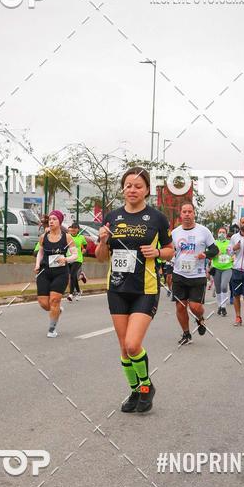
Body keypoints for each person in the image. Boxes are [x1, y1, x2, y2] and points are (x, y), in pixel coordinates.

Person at [95, 166, 173, 413]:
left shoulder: (158, 218)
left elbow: (171, 250)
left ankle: (146, 387)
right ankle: (135, 390)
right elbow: (100, 257)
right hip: (117, 287)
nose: (132, 190)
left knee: (132, 344)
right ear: (123, 189)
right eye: (128, 185)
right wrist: (103, 241)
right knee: (123, 347)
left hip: (145, 288)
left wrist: (158, 252)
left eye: (138, 186)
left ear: (147, 190)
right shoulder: (112, 217)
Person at [171, 202, 219, 345]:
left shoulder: (203, 231)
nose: (187, 214)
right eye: (184, 211)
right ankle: (186, 334)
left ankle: (200, 319)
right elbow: (170, 251)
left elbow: (215, 250)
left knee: (195, 307)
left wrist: (205, 254)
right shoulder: (174, 233)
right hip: (179, 273)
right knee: (180, 306)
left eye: (189, 211)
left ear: (194, 213)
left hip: (197, 275)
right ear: (180, 214)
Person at [35, 211, 78, 336]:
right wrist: (37, 264)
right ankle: (57, 310)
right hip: (44, 271)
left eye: (54, 219)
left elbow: (75, 255)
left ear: (60, 221)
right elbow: (41, 252)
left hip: (61, 273)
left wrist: (66, 259)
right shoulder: (44, 236)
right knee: (44, 303)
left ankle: (52, 329)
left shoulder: (67, 237)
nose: (51, 221)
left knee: (54, 300)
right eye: (50, 219)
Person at [208, 226, 233, 316]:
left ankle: (224, 307)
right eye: (220, 232)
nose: (221, 234)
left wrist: (233, 256)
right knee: (218, 289)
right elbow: (209, 255)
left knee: (223, 286)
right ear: (217, 233)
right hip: (216, 268)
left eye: (223, 232)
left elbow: (234, 253)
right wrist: (214, 254)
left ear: (226, 234)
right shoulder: (214, 243)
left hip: (227, 268)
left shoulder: (230, 243)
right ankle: (219, 305)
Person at [66, 222, 87, 301]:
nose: (73, 230)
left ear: (78, 229)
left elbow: (85, 244)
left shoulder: (81, 237)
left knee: (72, 275)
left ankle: (71, 294)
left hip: (78, 259)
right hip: (69, 258)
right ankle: (78, 291)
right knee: (73, 276)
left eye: (75, 228)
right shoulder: (67, 237)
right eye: (72, 228)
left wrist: (84, 249)